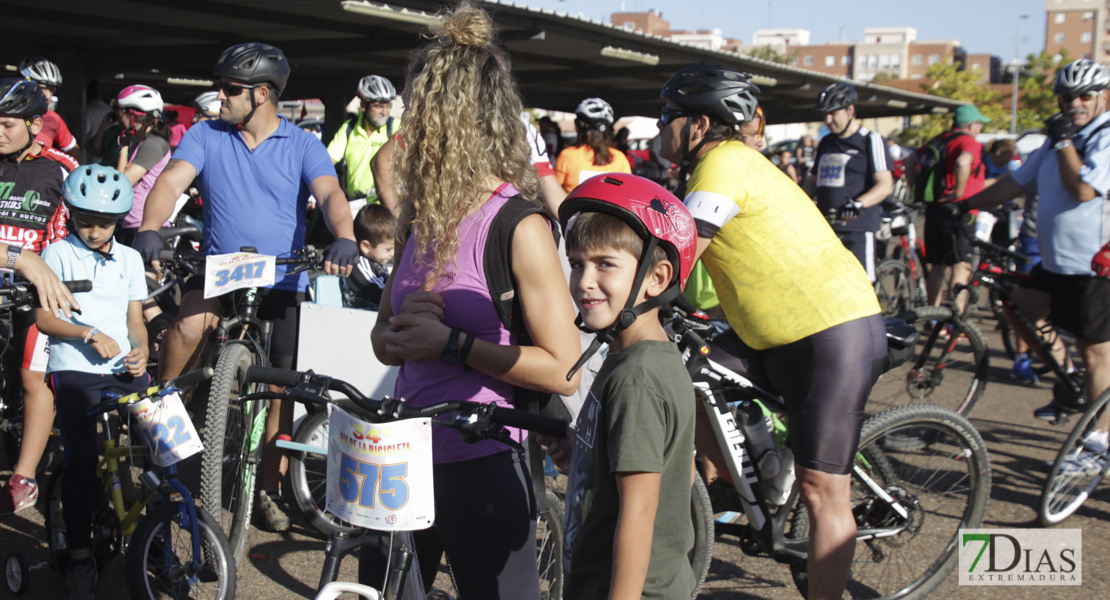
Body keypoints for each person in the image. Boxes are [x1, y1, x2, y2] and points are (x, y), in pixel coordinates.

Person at [366, 3, 581, 596]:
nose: (405, 132)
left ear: (452, 120)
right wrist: (399, 336)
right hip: (403, 458)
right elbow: (383, 343)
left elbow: (563, 370)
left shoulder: (518, 224)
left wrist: (454, 344)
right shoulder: (418, 219)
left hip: (484, 458)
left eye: (418, 114)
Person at [657, 64, 886, 600]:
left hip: (832, 331)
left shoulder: (726, 162)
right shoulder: (710, 167)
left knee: (822, 489)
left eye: (668, 115)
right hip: (770, 336)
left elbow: (684, 250)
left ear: (699, 125)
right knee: (684, 372)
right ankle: (750, 475)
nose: (660, 126)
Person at [130, 42, 358, 531]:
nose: (220, 96)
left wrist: (346, 237)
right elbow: (171, 182)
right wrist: (151, 225)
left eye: (229, 89)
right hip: (220, 269)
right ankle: (160, 429)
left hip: (282, 275)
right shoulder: (206, 134)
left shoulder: (301, 143)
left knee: (280, 386)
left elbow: (331, 193)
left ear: (261, 94)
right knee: (188, 326)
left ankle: (268, 490)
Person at [542, 173, 697, 599]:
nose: (584, 280)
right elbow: (674, 478)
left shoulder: (638, 378)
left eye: (605, 264)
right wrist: (584, 457)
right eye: (576, 263)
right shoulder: (633, 356)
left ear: (657, 278)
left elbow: (640, 512)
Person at [955, 59, 1110, 436]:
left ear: (1104, 97)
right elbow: (1016, 184)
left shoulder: (1101, 137)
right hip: (1056, 260)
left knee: (1096, 355)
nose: (1075, 103)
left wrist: (1063, 142)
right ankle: (1069, 380)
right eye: (1067, 96)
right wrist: (965, 204)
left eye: (1085, 96)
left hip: (1093, 265)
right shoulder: (1057, 141)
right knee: (1018, 308)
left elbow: (1084, 190)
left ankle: (1097, 443)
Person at [35, 165, 150, 599]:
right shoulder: (58, 254)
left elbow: (134, 321)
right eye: (85, 220)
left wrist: (140, 349)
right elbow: (46, 318)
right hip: (75, 367)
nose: (96, 230)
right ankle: (80, 558)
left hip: (124, 368)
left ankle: (156, 531)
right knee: (82, 460)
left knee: (164, 444)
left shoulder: (131, 258)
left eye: (105, 222)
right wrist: (87, 333)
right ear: (70, 214)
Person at [0, 78, 80, 515]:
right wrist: (18, 257)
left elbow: (84, 231)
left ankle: (24, 477)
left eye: (7, 125)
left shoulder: (61, 168)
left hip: (38, 294)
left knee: (34, 377)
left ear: (35, 125)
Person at [805, 82, 894, 281]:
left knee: (862, 287)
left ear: (850, 110)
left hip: (858, 229)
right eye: (824, 114)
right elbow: (813, 181)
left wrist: (859, 204)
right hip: (827, 228)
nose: (828, 120)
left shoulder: (871, 140)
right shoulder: (827, 142)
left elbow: (885, 184)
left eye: (833, 113)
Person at [921, 104, 990, 313]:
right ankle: (955, 321)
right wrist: (958, 193)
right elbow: (963, 162)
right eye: (979, 124)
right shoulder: (969, 142)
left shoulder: (938, 139)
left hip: (934, 209)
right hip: (960, 212)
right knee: (961, 266)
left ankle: (932, 318)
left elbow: (911, 161)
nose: (980, 128)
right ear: (971, 125)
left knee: (937, 267)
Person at [99, 85, 172, 245]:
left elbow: (122, 183)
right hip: (133, 221)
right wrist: (125, 146)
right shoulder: (143, 141)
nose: (118, 116)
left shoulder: (152, 144)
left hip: (141, 224)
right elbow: (122, 175)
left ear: (133, 115)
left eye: (121, 111)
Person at [327, 75, 398, 208]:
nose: (385, 112)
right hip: (357, 205)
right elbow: (326, 162)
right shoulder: (349, 128)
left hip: (386, 206)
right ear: (363, 105)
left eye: (388, 106)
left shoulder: (394, 127)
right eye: (378, 106)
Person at [555, 97, 631, 193]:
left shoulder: (567, 155)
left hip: (574, 207)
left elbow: (554, 192)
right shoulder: (619, 157)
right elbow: (626, 190)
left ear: (579, 125)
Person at [18, 57, 81, 163]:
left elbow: (74, 150)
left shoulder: (53, 118)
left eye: (51, 90)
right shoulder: (6, 115)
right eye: (42, 88)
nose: (47, 96)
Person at [344, 203, 394, 309]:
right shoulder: (358, 265)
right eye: (388, 249)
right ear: (366, 246)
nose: (393, 253)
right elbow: (376, 292)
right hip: (364, 316)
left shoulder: (387, 262)